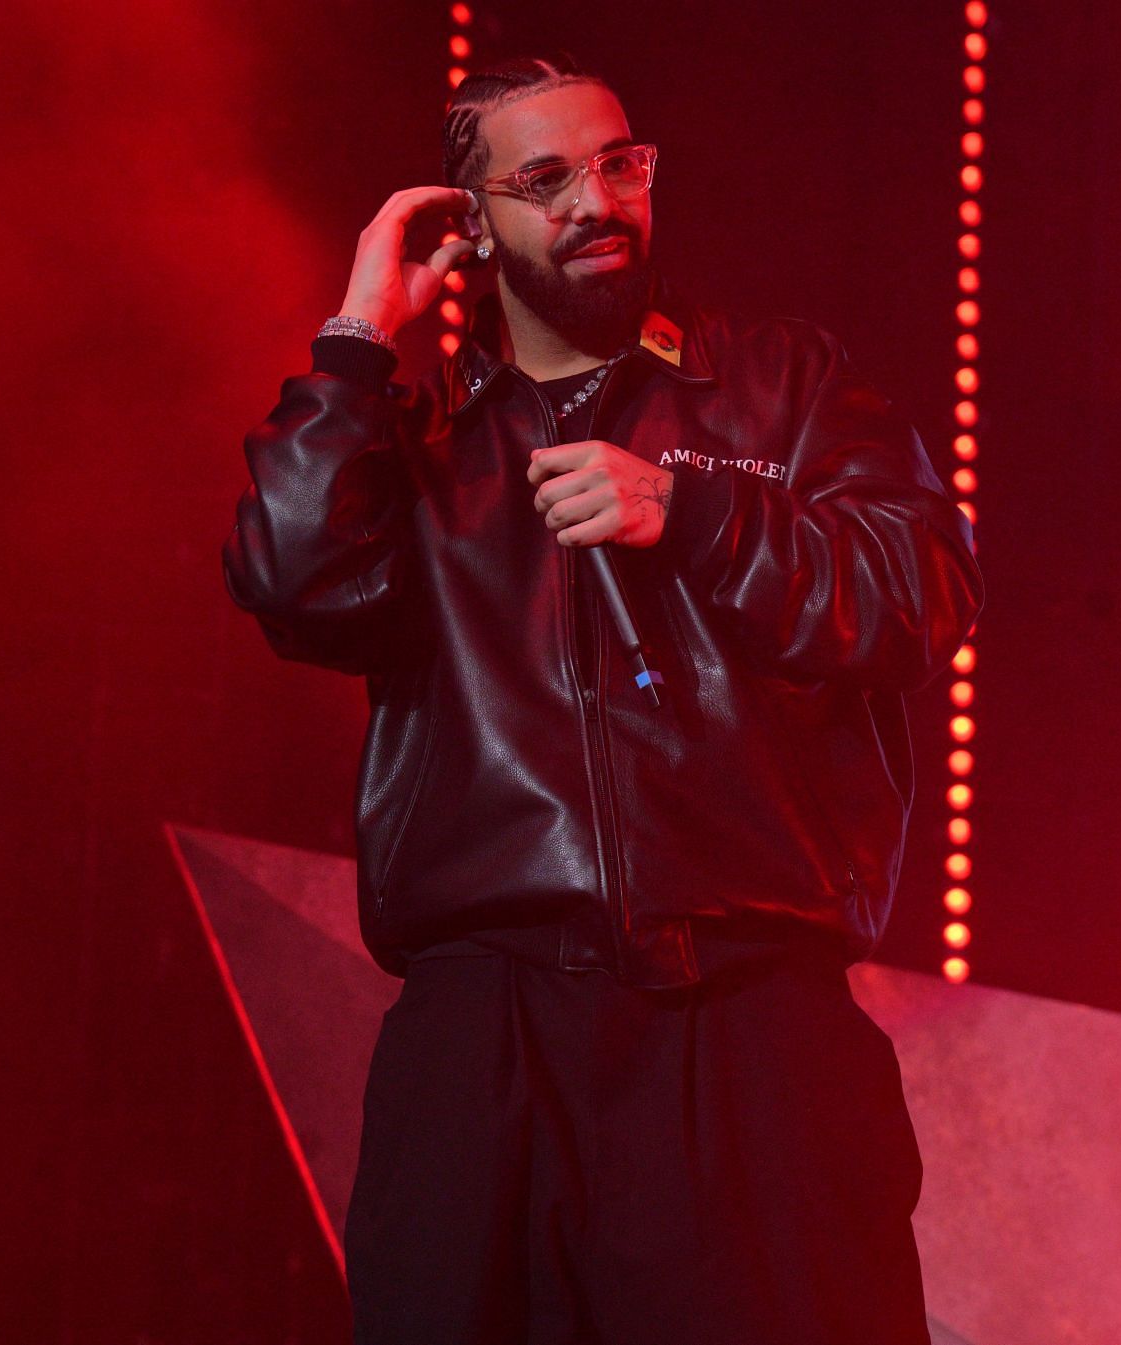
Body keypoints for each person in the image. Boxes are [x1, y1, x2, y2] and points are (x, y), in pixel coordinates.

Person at [223, 50, 983, 1345]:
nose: (597, 200)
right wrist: (357, 338)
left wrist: (694, 510)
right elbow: (293, 583)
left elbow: (915, 592)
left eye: (619, 164)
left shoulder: (782, 387)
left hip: (748, 1018)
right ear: (472, 226)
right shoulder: (418, 446)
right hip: (489, 1033)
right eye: (545, 177)